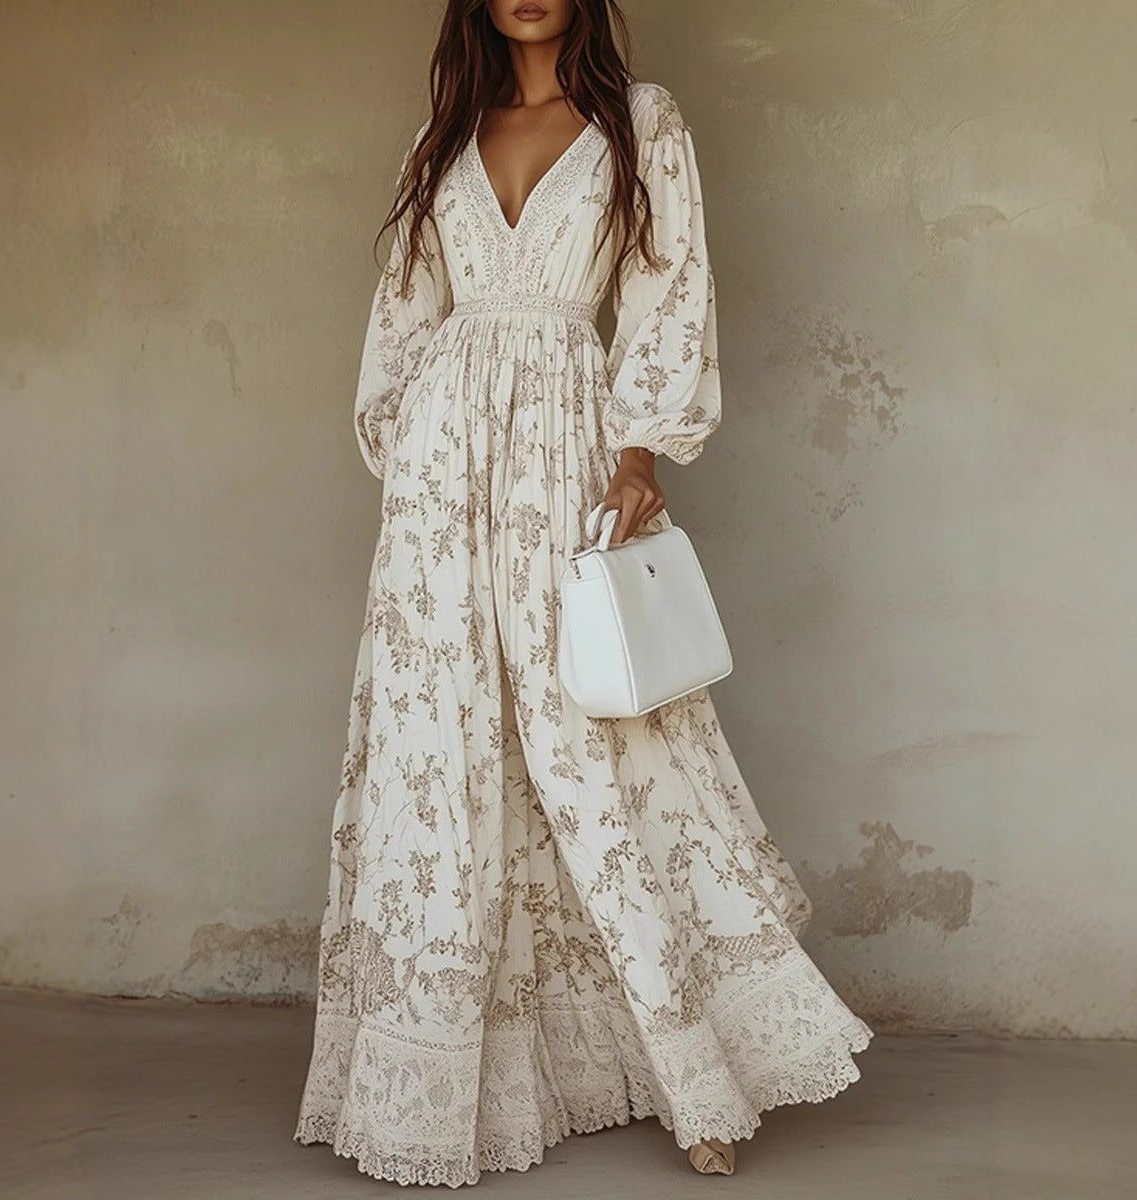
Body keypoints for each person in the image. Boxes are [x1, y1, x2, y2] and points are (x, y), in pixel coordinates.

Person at [294, 0, 872, 1186]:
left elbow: (668, 289)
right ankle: (455, 1091)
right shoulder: (437, 137)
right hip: (442, 484)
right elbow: (402, 324)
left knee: (599, 751)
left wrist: (638, 453)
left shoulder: (639, 123)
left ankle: (696, 1078)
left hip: (566, 448)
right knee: (448, 751)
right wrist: (414, 455)